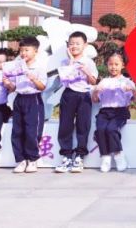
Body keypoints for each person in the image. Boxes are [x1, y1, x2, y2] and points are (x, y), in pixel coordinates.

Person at [55, 31, 98, 173]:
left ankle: (80, 156)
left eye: (77, 43)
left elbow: (93, 81)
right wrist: (71, 62)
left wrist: (86, 71)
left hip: (84, 95)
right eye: (71, 44)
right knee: (65, 125)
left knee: (83, 126)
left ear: (85, 45)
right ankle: (66, 156)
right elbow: (64, 80)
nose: (74, 46)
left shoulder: (89, 62)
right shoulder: (64, 62)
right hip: (69, 94)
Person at [92, 52, 136, 172]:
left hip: (120, 111)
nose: (113, 67)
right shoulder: (104, 81)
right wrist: (96, 91)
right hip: (104, 111)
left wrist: (133, 90)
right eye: (110, 64)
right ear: (107, 65)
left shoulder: (127, 81)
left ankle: (119, 155)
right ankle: (105, 157)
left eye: (116, 64)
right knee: (100, 129)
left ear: (122, 65)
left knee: (111, 129)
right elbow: (95, 100)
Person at [7, 36, 48, 173]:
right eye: (21, 50)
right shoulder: (17, 68)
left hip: (33, 99)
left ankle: (32, 159)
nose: (23, 53)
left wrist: (33, 79)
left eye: (27, 50)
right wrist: (8, 84)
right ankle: (20, 160)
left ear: (35, 51)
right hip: (19, 99)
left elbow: (42, 87)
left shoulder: (39, 68)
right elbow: (13, 87)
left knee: (32, 131)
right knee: (17, 131)